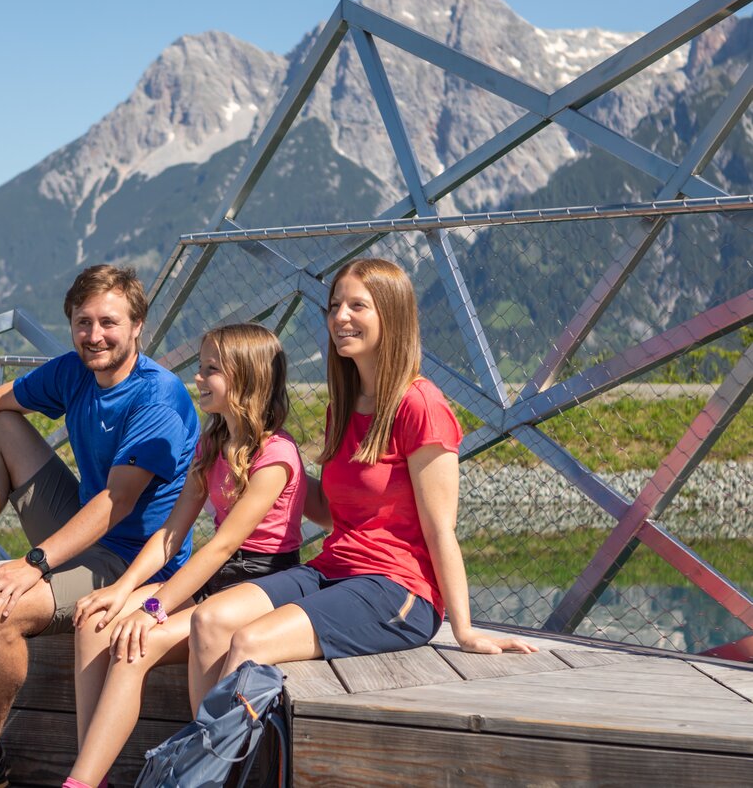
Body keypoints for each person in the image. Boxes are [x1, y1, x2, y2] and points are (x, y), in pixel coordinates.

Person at [0, 264, 200, 788]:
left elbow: (116, 502)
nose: (94, 335)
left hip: (131, 565)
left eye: (109, 323)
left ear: (138, 326)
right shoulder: (73, 371)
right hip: (82, 528)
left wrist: (33, 564)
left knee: (0, 610)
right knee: (2, 425)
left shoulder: (157, 397)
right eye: (83, 322)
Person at [187, 258, 537, 711]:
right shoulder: (345, 405)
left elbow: (440, 529)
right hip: (335, 569)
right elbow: (330, 510)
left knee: (250, 641)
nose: (340, 317)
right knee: (210, 620)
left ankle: (219, 753)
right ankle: (204, 747)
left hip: (398, 589)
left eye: (357, 305)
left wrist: (464, 630)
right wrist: (267, 463)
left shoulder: (421, 405)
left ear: (391, 315)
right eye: (334, 305)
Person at [64, 323, 318, 788]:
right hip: (217, 580)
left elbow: (223, 546)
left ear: (246, 378)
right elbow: (171, 532)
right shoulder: (214, 443)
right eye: (201, 367)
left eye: (210, 370)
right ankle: (90, 777)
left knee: (136, 644)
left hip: (259, 584)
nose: (198, 378)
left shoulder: (276, 455)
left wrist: (153, 608)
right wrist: (123, 591)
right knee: (97, 621)